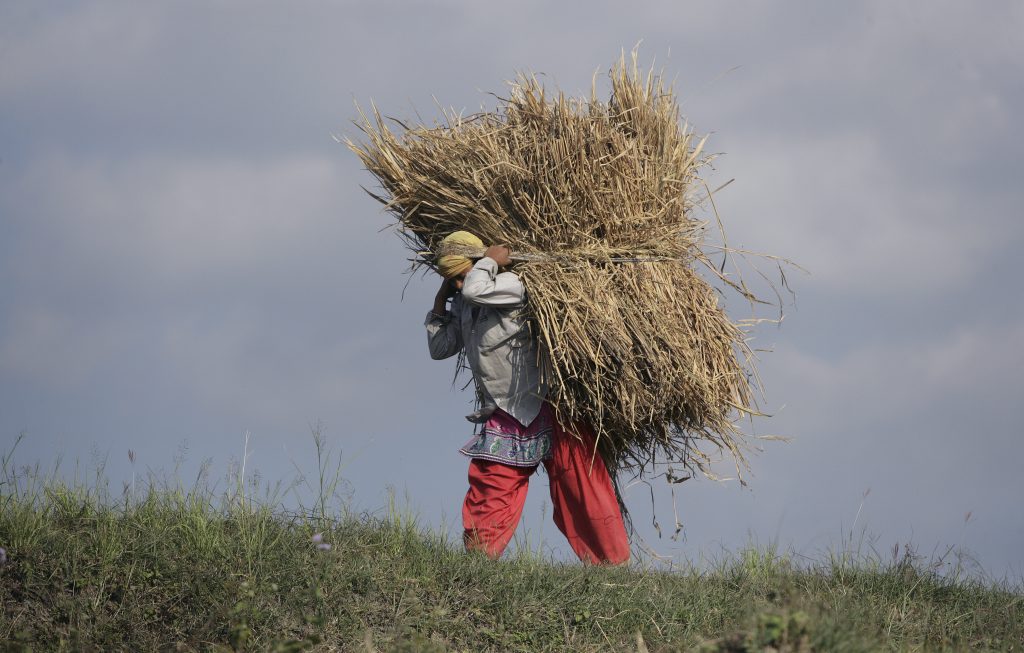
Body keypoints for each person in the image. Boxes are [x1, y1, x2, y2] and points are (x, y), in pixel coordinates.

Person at [425, 230, 630, 565]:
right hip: (506, 412)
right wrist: (441, 299)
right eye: (453, 281)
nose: (460, 286)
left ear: (478, 265)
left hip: (548, 405)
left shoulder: (512, 285)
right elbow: (440, 348)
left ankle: (611, 566)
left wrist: (490, 260)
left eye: (460, 276)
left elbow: (477, 289)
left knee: (582, 491)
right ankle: (478, 564)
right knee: (490, 489)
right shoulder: (465, 300)